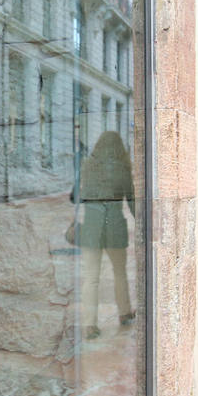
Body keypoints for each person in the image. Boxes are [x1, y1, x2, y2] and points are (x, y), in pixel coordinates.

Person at [77, 130, 135, 340]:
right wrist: (144, 224)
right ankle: (125, 313)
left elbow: (75, 197)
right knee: (120, 273)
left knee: (91, 278)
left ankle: (90, 325)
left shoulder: (87, 166)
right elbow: (132, 200)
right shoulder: (123, 169)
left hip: (92, 228)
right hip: (114, 228)